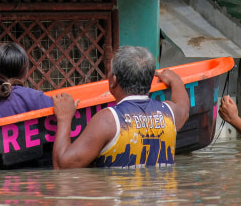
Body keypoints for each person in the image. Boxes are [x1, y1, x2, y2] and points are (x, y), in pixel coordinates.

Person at [51, 45, 190, 169]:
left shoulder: (108, 120)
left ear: (114, 80)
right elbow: (184, 108)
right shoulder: (170, 113)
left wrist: (64, 118)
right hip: (164, 197)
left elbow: (63, 166)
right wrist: (175, 80)